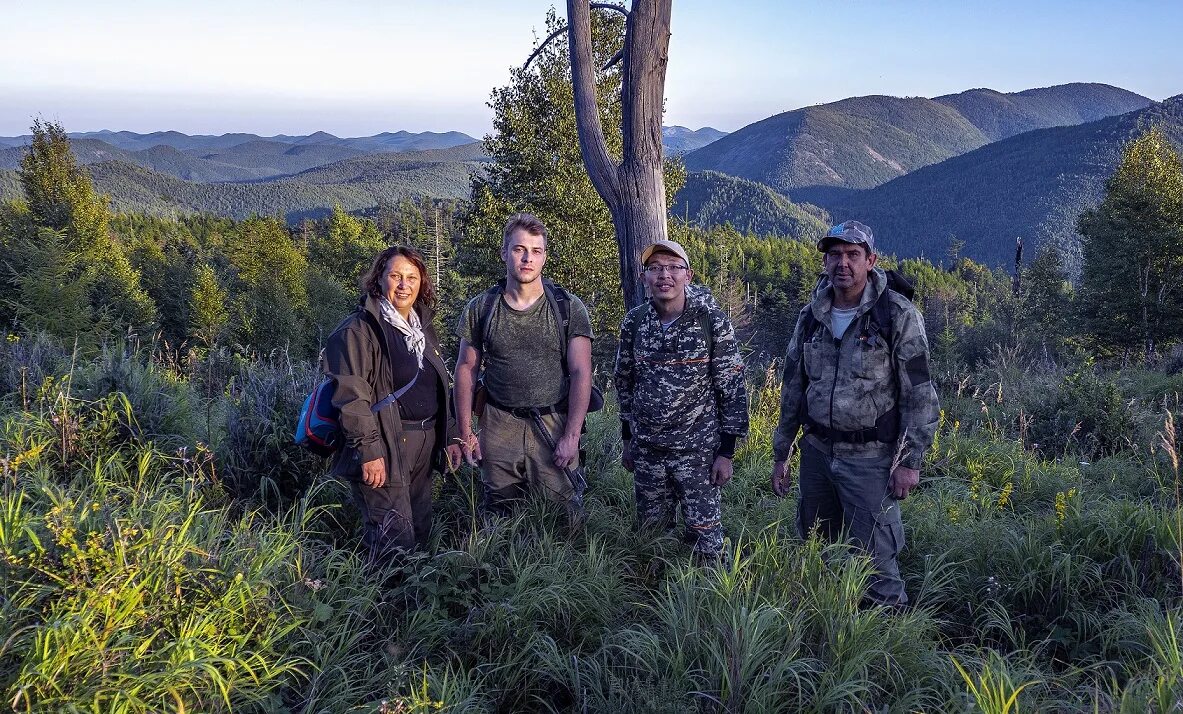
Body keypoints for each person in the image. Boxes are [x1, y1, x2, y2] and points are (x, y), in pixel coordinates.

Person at [770, 220, 939, 607]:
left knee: (877, 563)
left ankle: (892, 645)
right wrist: (782, 453)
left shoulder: (897, 316)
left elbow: (921, 391)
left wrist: (910, 461)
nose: (842, 263)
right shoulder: (811, 316)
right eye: (834, 255)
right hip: (816, 453)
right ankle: (827, 630)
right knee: (817, 549)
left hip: (871, 458)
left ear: (871, 260)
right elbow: (793, 387)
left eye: (852, 254)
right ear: (825, 262)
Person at [322, 246, 463, 562]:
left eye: (412, 277)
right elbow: (351, 397)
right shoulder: (359, 330)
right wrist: (369, 451)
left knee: (421, 527)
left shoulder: (422, 328)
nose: (404, 284)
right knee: (393, 536)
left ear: (421, 283)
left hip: (423, 443)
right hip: (384, 443)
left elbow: (438, 385)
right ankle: (386, 605)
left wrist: (450, 435)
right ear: (379, 280)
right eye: (396, 276)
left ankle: (417, 601)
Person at [614, 239, 749, 562]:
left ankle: (710, 604)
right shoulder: (635, 323)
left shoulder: (711, 321)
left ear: (688, 275)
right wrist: (628, 440)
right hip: (648, 451)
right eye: (655, 268)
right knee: (651, 537)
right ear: (645, 277)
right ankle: (653, 601)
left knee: (706, 541)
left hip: (698, 453)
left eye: (673, 268)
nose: (665, 276)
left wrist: (726, 452)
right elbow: (625, 382)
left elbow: (731, 387)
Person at [453, 213, 594, 522]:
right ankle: (501, 569)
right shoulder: (482, 308)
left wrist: (571, 436)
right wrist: (466, 433)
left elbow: (582, 372)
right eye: (519, 249)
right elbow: (466, 369)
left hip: (552, 422)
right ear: (504, 253)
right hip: (498, 423)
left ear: (544, 257)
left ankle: (564, 570)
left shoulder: (568, 307)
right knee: (499, 513)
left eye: (536, 251)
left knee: (563, 515)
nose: (528, 258)